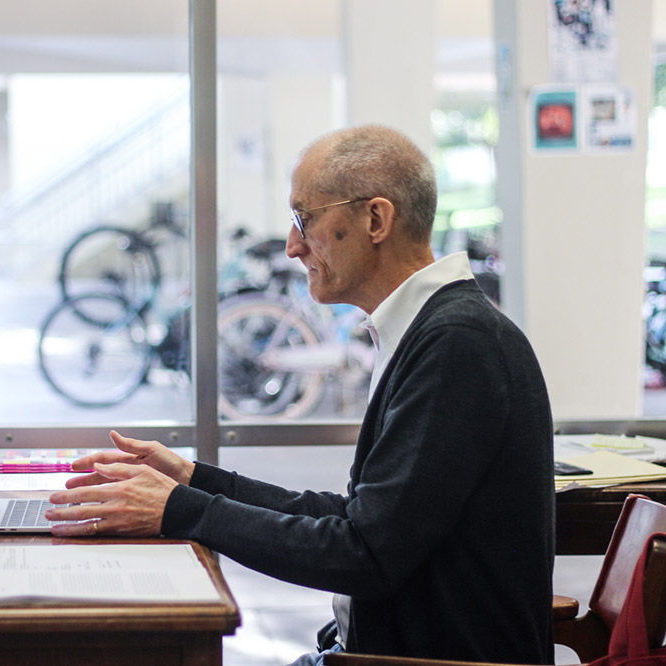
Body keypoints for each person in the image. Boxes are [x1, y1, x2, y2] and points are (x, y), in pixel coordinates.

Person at [46, 125, 555, 665]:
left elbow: (365, 555)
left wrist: (177, 510)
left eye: (303, 218)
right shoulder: (432, 331)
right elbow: (361, 521)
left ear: (375, 220)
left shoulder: (458, 346)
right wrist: (194, 480)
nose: (292, 246)